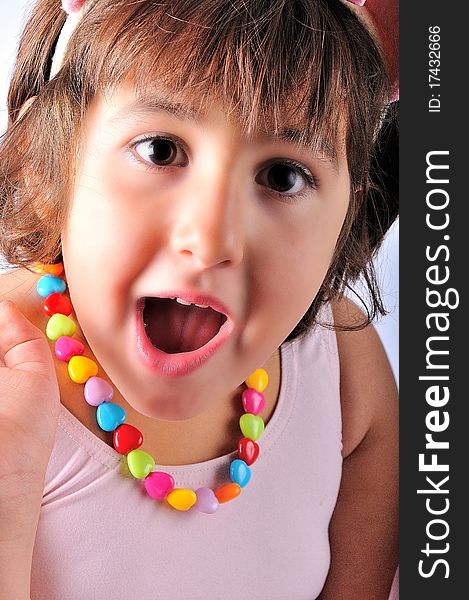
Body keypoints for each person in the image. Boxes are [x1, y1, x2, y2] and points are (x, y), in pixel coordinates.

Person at [0, 0, 399, 598]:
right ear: (42, 157)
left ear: (348, 216)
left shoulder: (344, 373)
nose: (212, 239)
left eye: (283, 176)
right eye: (161, 150)